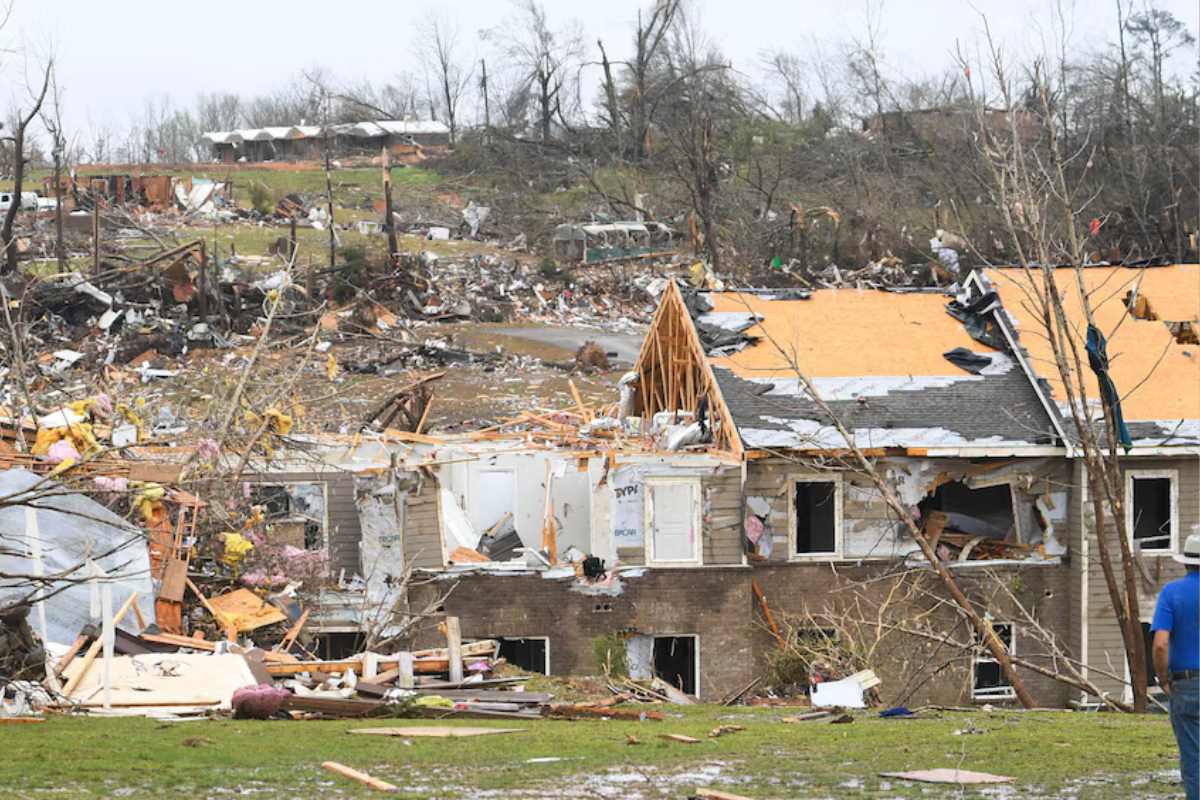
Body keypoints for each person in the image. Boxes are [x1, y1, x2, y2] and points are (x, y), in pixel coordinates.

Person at [1152, 532, 1200, 800]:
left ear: (1185, 563)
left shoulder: (1172, 592)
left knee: (1194, 761)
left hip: (1187, 684)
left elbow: (1160, 644)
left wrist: (1163, 679)